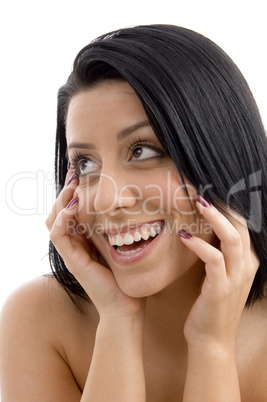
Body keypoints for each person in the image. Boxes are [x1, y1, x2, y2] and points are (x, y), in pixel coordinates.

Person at [1, 24, 267, 401]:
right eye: (86, 164)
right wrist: (116, 321)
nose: (106, 200)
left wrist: (211, 347)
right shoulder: (38, 319)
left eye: (142, 150)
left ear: (222, 155)